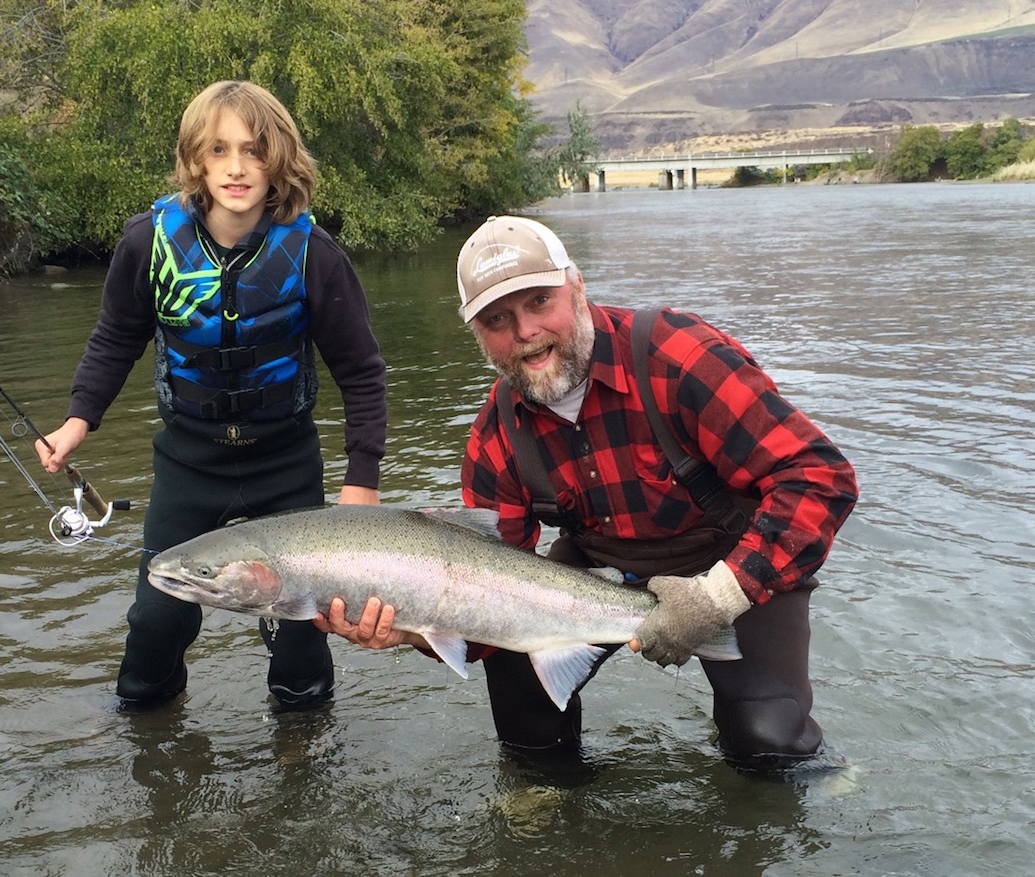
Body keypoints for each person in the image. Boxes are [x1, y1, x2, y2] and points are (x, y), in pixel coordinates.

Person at [318, 215, 857, 771]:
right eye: (497, 319)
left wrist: (718, 597)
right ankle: (553, 816)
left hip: (733, 559)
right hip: (600, 562)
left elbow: (819, 477)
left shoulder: (678, 357)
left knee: (768, 740)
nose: (525, 332)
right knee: (522, 714)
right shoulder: (495, 435)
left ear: (576, 287)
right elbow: (476, 594)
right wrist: (410, 628)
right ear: (476, 334)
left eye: (539, 302)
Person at [36, 80, 387, 712]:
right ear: (196, 159)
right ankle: (147, 726)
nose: (236, 167)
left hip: (285, 465)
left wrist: (360, 482)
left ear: (277, 159)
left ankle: (302, 744)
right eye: (219, 150)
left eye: (253, 151)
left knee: (301, 638)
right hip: (189, 463)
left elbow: (361, 372)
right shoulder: (148, 243)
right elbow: (116, 337)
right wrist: (76, 422)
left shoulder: (315, 255)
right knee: (155, 622)